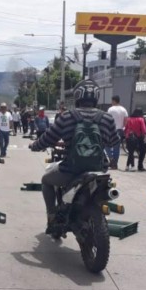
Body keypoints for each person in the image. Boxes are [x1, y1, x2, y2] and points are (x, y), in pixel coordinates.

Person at [30, 79, 119, 233]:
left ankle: (52, 215)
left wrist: (35, 146)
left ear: (78, 96)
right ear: (96, 97)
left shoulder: (67, 117)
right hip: (99, 170)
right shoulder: (107, 118)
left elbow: (48, 138)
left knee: (46, 180)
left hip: (71, 170)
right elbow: (114, 142)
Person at [106, 95, 128, 170]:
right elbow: (126, 121)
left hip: (111, 129)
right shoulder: (124, 109)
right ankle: (115, 163)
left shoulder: (110, 109)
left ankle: (111, 159)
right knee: (117, 147)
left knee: (107, 145)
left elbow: (107, 120)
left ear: (114, 101)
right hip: (120, 130)